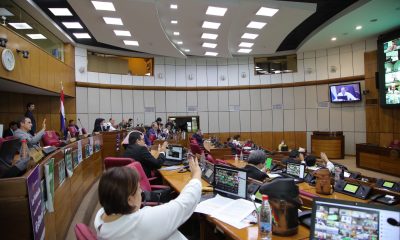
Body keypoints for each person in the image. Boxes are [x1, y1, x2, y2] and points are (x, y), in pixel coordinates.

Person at [94, 155, 201, 240]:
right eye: (139, 188)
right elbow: (185, 204)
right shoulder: (142, 222)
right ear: (130, 200)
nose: (141, 191)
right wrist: (196, 175)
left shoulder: (101, 217)